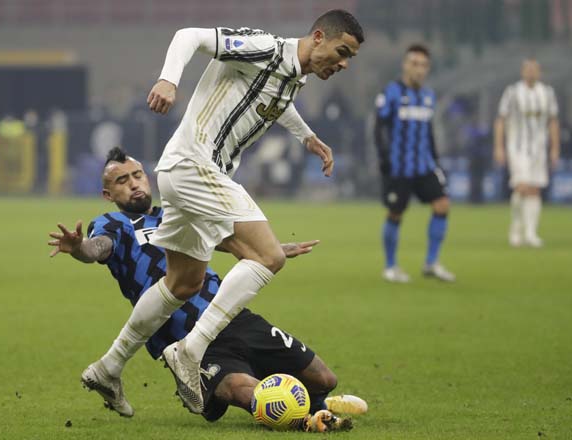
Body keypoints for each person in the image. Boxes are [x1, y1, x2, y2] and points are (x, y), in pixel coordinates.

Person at [87, 10, 364, 414]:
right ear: (318, 37)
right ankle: (192, 349)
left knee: (182, 282)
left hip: (181, 174)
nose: (342, 64)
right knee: (268, 257)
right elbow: (190, 36)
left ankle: (107, 368)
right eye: (341, 52)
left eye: (349, 59)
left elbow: (276, 103)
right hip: (194, 164)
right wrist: (169, 79)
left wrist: (307, 137)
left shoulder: (293, 76)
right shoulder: (265, 48)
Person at [48, 147, 367, 432]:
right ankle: (310, 418)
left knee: (324, 378)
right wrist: (79, 248)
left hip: (231, 316)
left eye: (137, 175)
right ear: (108, 193)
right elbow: (97, 249)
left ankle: (320, 402)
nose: (134, 183)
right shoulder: (113, 224)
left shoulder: (173, 214)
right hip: (186, 339)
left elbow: (222, 239)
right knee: (246, 391)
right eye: (122, 181)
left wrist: (273, 248)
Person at [374, 44, 455, 283]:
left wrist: (436, 159)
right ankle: (390, 267)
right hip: (399, 167)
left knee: (442, 205)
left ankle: (431, 263)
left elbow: (428, 131)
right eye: (415, 64)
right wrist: (384, 160)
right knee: (396, 213)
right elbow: (379, 129)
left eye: (424, 65)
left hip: (424, 165)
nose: (419, 69)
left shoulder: (428, 95)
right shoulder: (391, 92)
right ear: (405, 65)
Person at [493, 59, 560, 247]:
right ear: (522, 72)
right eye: (528, 69)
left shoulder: (547, 93)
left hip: (539, 148)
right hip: (517, 146)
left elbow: (553, 121)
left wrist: (555, 148)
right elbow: (501, 120)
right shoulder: (512, 92)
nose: (531, 73)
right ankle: (516, 226)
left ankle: (531, 233)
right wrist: (498, 147)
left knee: (534, 189)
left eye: (534, 70)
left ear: (539, 72)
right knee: (521, 186)